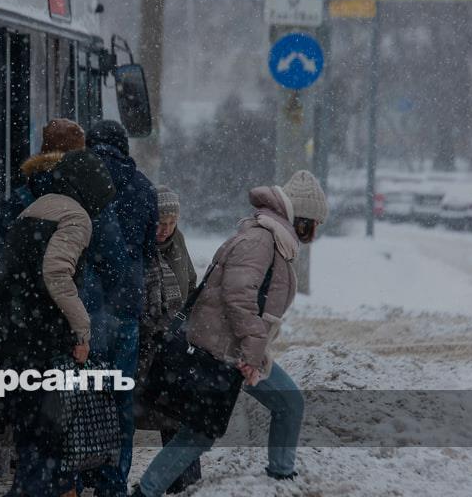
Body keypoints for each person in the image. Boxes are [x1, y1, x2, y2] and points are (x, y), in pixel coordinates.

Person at [132, 170, 328, 497]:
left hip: (239, 350)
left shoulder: (273, 238)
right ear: (303, 219)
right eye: (316, 224)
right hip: (222, 350)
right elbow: (238, 295)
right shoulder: (261, 239)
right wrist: (252, 351)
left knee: (288, 403)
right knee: (197, 435)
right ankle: (146, 492)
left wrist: (253, 351)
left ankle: (281, 477)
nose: (317, 232)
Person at [0, 150, 116, 497]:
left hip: (13, 336)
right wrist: (81, 329)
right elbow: (57, 273)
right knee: (48, 440)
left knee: (32, 437)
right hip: (41, 342)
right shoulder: (76, 218)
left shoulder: (37, 207)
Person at [85, 120, 159, 497]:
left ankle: (79, 475)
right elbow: (149, 253)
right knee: (119, 399)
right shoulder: (144, 188)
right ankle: (113, 483)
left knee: (83, 395)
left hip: (84, 308)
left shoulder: (78, 180)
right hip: (126, 308)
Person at [135, 185, 201, 494]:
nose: (164, 230)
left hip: (176, 342)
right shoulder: (137, 247)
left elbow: (190, 280)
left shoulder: (179, 242)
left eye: (171, 223)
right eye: (159, 222)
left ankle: (184, 484)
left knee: (179, 415)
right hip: (146, 345)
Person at [0, 118, 87, 260]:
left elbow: (0, 257)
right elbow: (114, 261)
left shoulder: (21, 198)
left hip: (30, 280)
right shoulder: (92, 194)